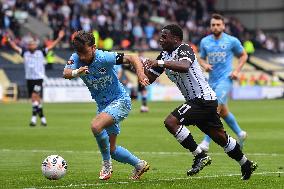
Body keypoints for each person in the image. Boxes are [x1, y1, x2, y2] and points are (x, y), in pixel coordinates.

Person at [143, 24, 257, 180]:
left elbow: (184, 66)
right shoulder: (163, 55)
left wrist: (160, 64)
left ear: (175, 39)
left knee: (171, 122)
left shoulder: (184, 49)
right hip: (200, 101)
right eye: (160, 36)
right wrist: (136, 64)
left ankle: (200, 155)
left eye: (164, 36)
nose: (160, 39)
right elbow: (148, 79)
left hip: (203, 99)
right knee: (220, 137)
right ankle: (245, 163)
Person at [63, 31, 150, 180]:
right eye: (79, 53)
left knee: (96, 126)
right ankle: (139, 165)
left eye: (85, 52)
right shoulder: (76, 57)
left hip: (120, 101)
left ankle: (106, 164)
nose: (82, 57)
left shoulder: (104, 57)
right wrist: (77, 71)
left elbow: (133, 57)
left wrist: (140, 74)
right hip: (103, 107)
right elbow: (66, 73)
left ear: (94, 47)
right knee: (112, 149)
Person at [198, 14, 248, 152]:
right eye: (213, 24)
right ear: (210, 26)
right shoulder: (205, 42)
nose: (215, 27)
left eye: (218, 24)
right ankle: (240, 133)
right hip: (212, 80)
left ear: (223, 26)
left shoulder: (231, 41)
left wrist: (237, 71)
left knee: (215, 107)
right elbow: (200, 58)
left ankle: (206, 142)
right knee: (224, 111)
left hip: (226, 79)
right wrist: (204, 65)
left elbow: (243, 55)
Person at [7, 30, 65, 126]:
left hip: (38, 79)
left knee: (34, 96)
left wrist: (59, 38)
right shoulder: (24, 53)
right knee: (36, 100)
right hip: (29, 79)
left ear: (36, 46)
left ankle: (33, 119)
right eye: (29, 45)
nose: (31, 46)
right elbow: (15, 47)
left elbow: (52, 46)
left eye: (32, 44)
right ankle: (43, 119)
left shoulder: (41, 52)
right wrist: (9, 40)